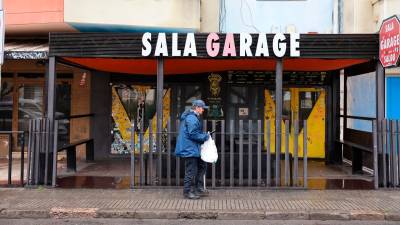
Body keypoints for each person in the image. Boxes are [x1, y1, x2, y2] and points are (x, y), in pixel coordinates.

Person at [175, 99, 210, 199]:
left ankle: (198, 188)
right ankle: (187, 191)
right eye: (202, 108)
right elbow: (193, 133)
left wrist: (203, 135)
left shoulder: (193, 117)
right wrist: (205, 137)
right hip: (189, 148)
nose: (203, 110)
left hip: (192, 147)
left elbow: (193, 132)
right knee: (190, 170)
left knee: (202, 166)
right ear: (197, 108)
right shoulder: (191, 118)